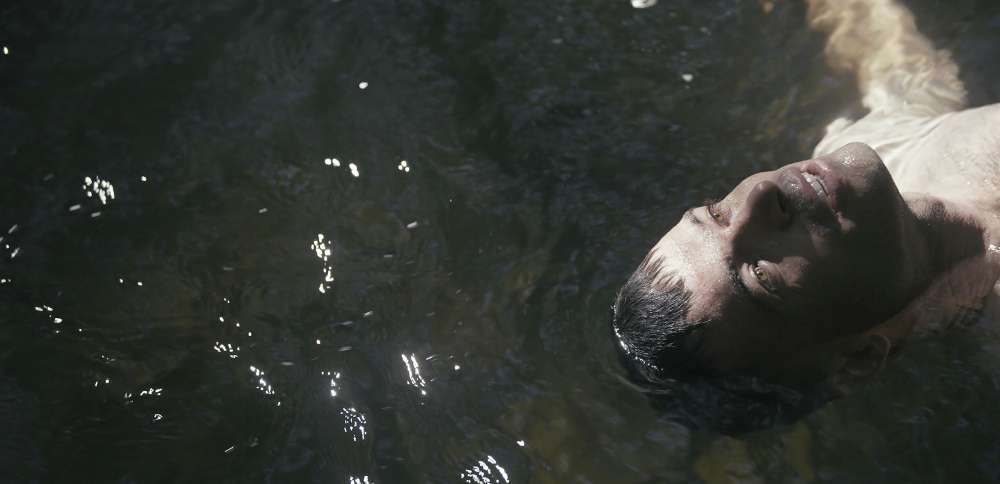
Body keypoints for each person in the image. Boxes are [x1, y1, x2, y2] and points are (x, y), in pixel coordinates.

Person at [611, 0, 1000, 423]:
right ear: (858, 360)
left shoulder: (879, 144)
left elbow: (890, 52)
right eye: (761, 276)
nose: (761, 194)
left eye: (718, 213)